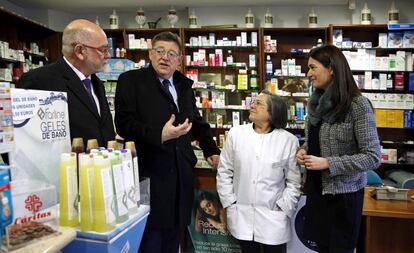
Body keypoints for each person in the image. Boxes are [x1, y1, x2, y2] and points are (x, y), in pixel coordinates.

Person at [114, 31, 220, 253]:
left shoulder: (183, 85)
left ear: (179, 59)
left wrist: (212, 150)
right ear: (151, 54)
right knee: (149, 240)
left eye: (172, 53)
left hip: (180, 177)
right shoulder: (131, 81)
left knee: (173, 240)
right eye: (160, 51)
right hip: (148, 174)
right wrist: (159, 135)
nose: (165, 57)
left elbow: (196, 121)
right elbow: (123, 124)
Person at [296, 45, 381, 253]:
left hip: (343, 197)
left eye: (313, 67)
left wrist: (328, 163)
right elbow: (317, 140)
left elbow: (372, 156)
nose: (308, 74)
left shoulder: (357, 105)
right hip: (318, 192)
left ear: (331, 68)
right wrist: (304, 149)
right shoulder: (316, 103)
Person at [217, 90, 301, 253]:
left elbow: (294, 181)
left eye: (259, 103)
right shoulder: (236, 134)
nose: (252, 105)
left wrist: (283, 207)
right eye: (253, 102)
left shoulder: (288, 141)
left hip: (273, 217)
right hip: (242, 214)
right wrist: (230, 202)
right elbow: (224, 171)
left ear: (272, 112)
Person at [17, 19, 115, 147]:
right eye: (103, 50)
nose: (108, 55)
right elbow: (21, 139)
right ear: (80, 51)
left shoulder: (97, 84)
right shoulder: (39, 81)